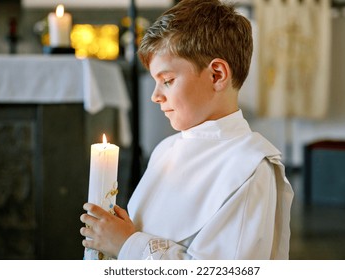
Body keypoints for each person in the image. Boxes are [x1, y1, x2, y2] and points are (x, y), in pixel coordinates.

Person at [80, 0, 294, 260]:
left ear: (216, 75)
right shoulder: (165, 150)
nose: (155, 96)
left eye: (167, 81)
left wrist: (126, 244)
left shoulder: (250, 167)